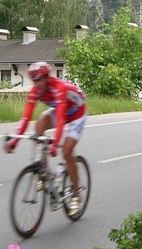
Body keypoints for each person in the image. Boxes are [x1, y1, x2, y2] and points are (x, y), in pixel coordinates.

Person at [5, 62, 87, 215]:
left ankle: (76, 194)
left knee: (67, 152)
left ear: (47, 78)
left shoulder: (59, 88)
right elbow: (25, 118)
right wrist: (14, 142)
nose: (38, 84)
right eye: (34, 81)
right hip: (61, 111)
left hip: (77, 113)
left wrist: (55, 144)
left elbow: (61, 120)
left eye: (40, 80)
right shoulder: (34, 92)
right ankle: (43, 170)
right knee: (39, 125)